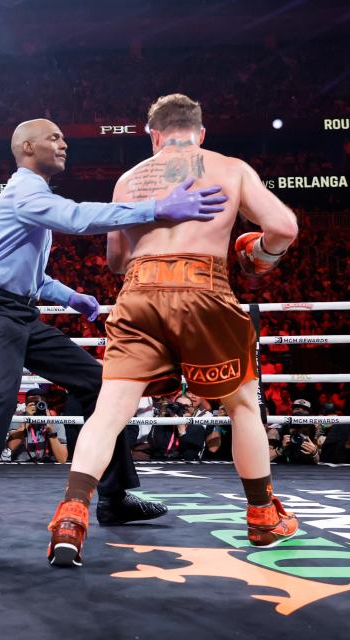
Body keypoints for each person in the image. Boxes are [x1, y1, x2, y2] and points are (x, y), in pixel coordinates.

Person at [0, 116, 223, 558]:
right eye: (54, 137)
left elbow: (28, 276)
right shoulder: (25, 190)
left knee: (101, 383)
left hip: (19, 313)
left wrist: (71, 296)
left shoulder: (32, 196)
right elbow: (77, 218)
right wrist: (157, 207)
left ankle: (114, 499)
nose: (64, 143)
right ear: (27, 148)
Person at [48, 94, 299, 567]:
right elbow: (284, 226)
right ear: (200, 133)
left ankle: (70, 517)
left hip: (139, 292)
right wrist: (261, 255)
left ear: (154, 135)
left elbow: (116, 261)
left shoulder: (127, 179)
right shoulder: (229, 167)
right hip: (205, 288)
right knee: (243, 406)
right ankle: (263, 517)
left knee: (109, 412)